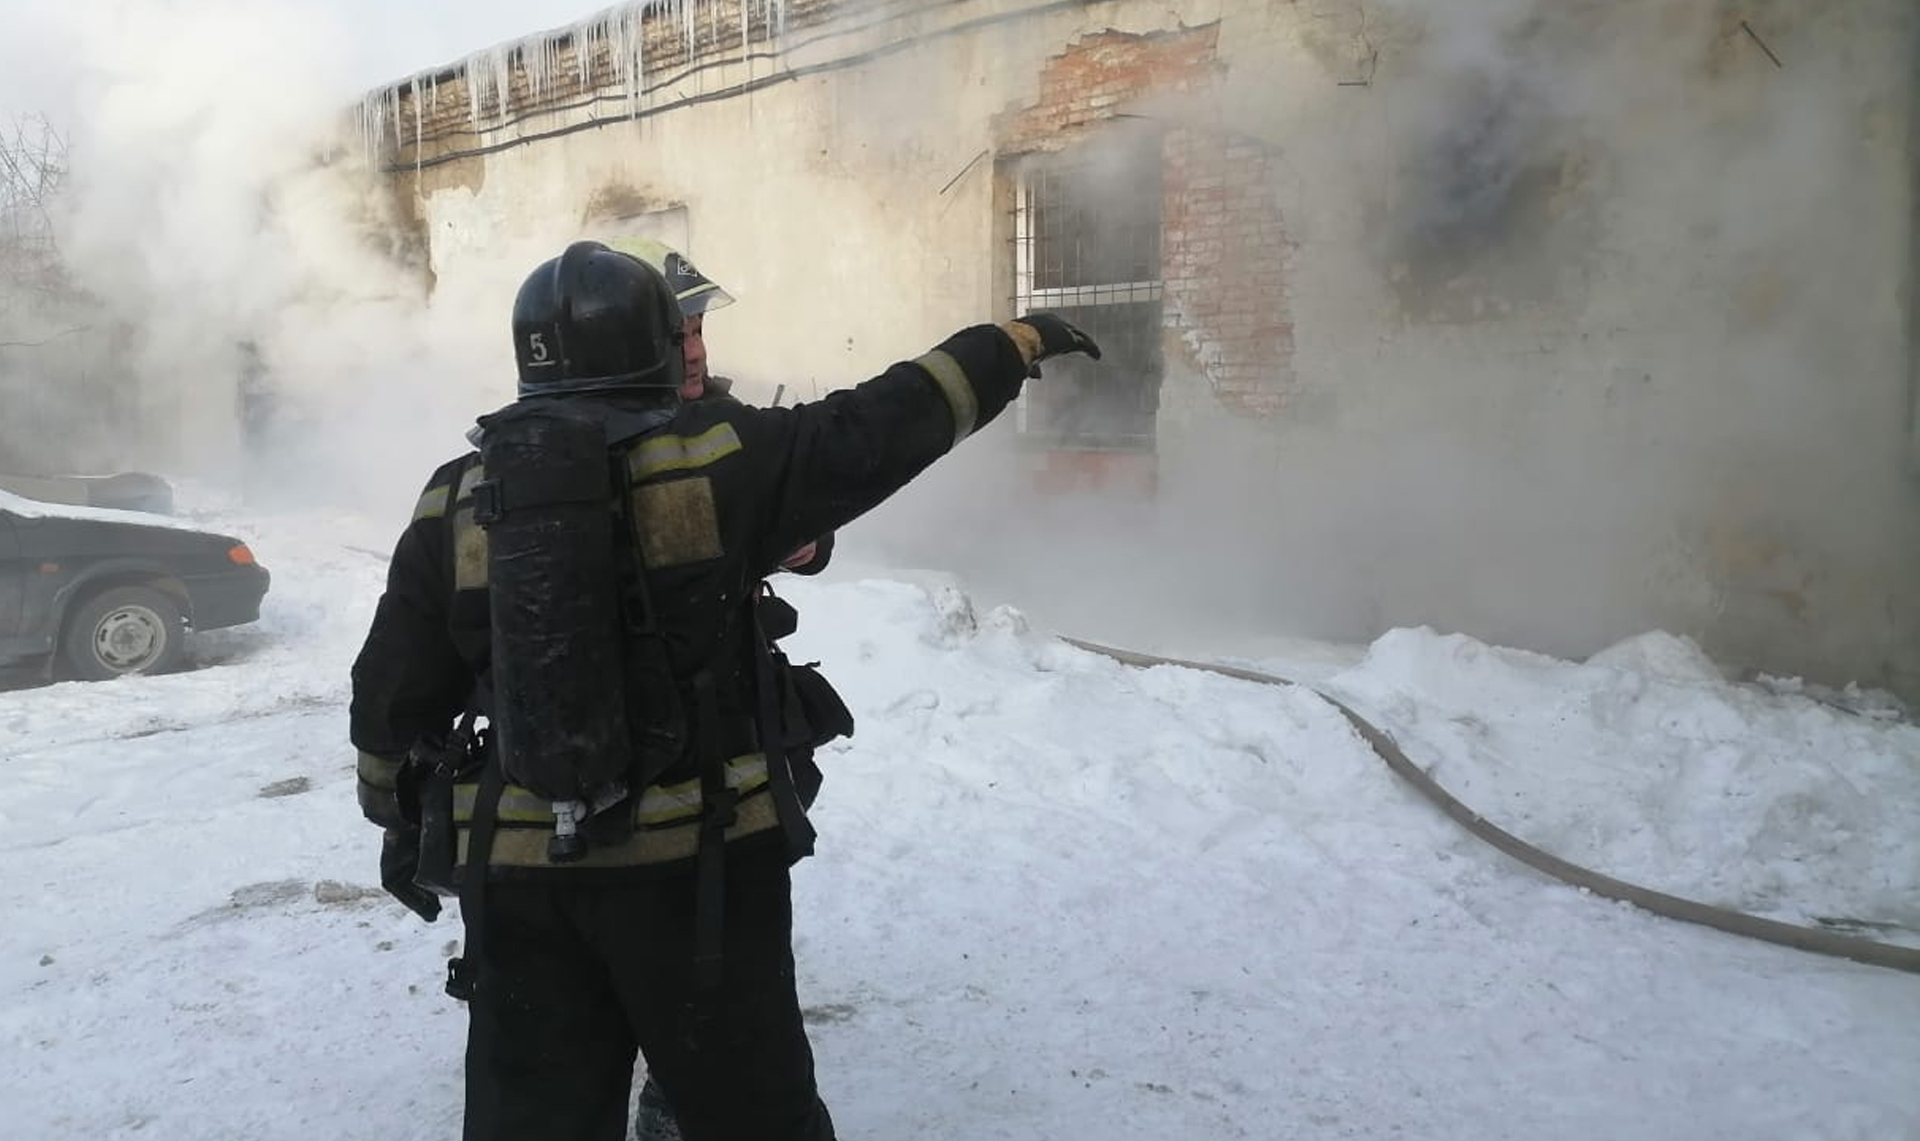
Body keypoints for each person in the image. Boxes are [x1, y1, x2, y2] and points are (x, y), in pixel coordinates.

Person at [350, 239, 1099, 1141]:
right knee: (753, 1112)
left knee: (532, 1118)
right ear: (657, 346)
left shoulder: (457, 495)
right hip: (699, 879)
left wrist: (397, 815)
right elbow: (886, 422)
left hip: (517, 881)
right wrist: (1011, 343)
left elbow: (391, 693)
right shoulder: (729, 456)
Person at [607, 237, 829, 1141]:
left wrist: (802, 540)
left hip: (729, 705)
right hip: (626, 706)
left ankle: (680, 1076)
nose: (696, 347)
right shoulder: (594, 429)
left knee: (726, 899)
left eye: (699, 328)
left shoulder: (737, 424)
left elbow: (810, 530)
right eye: (680, 329)